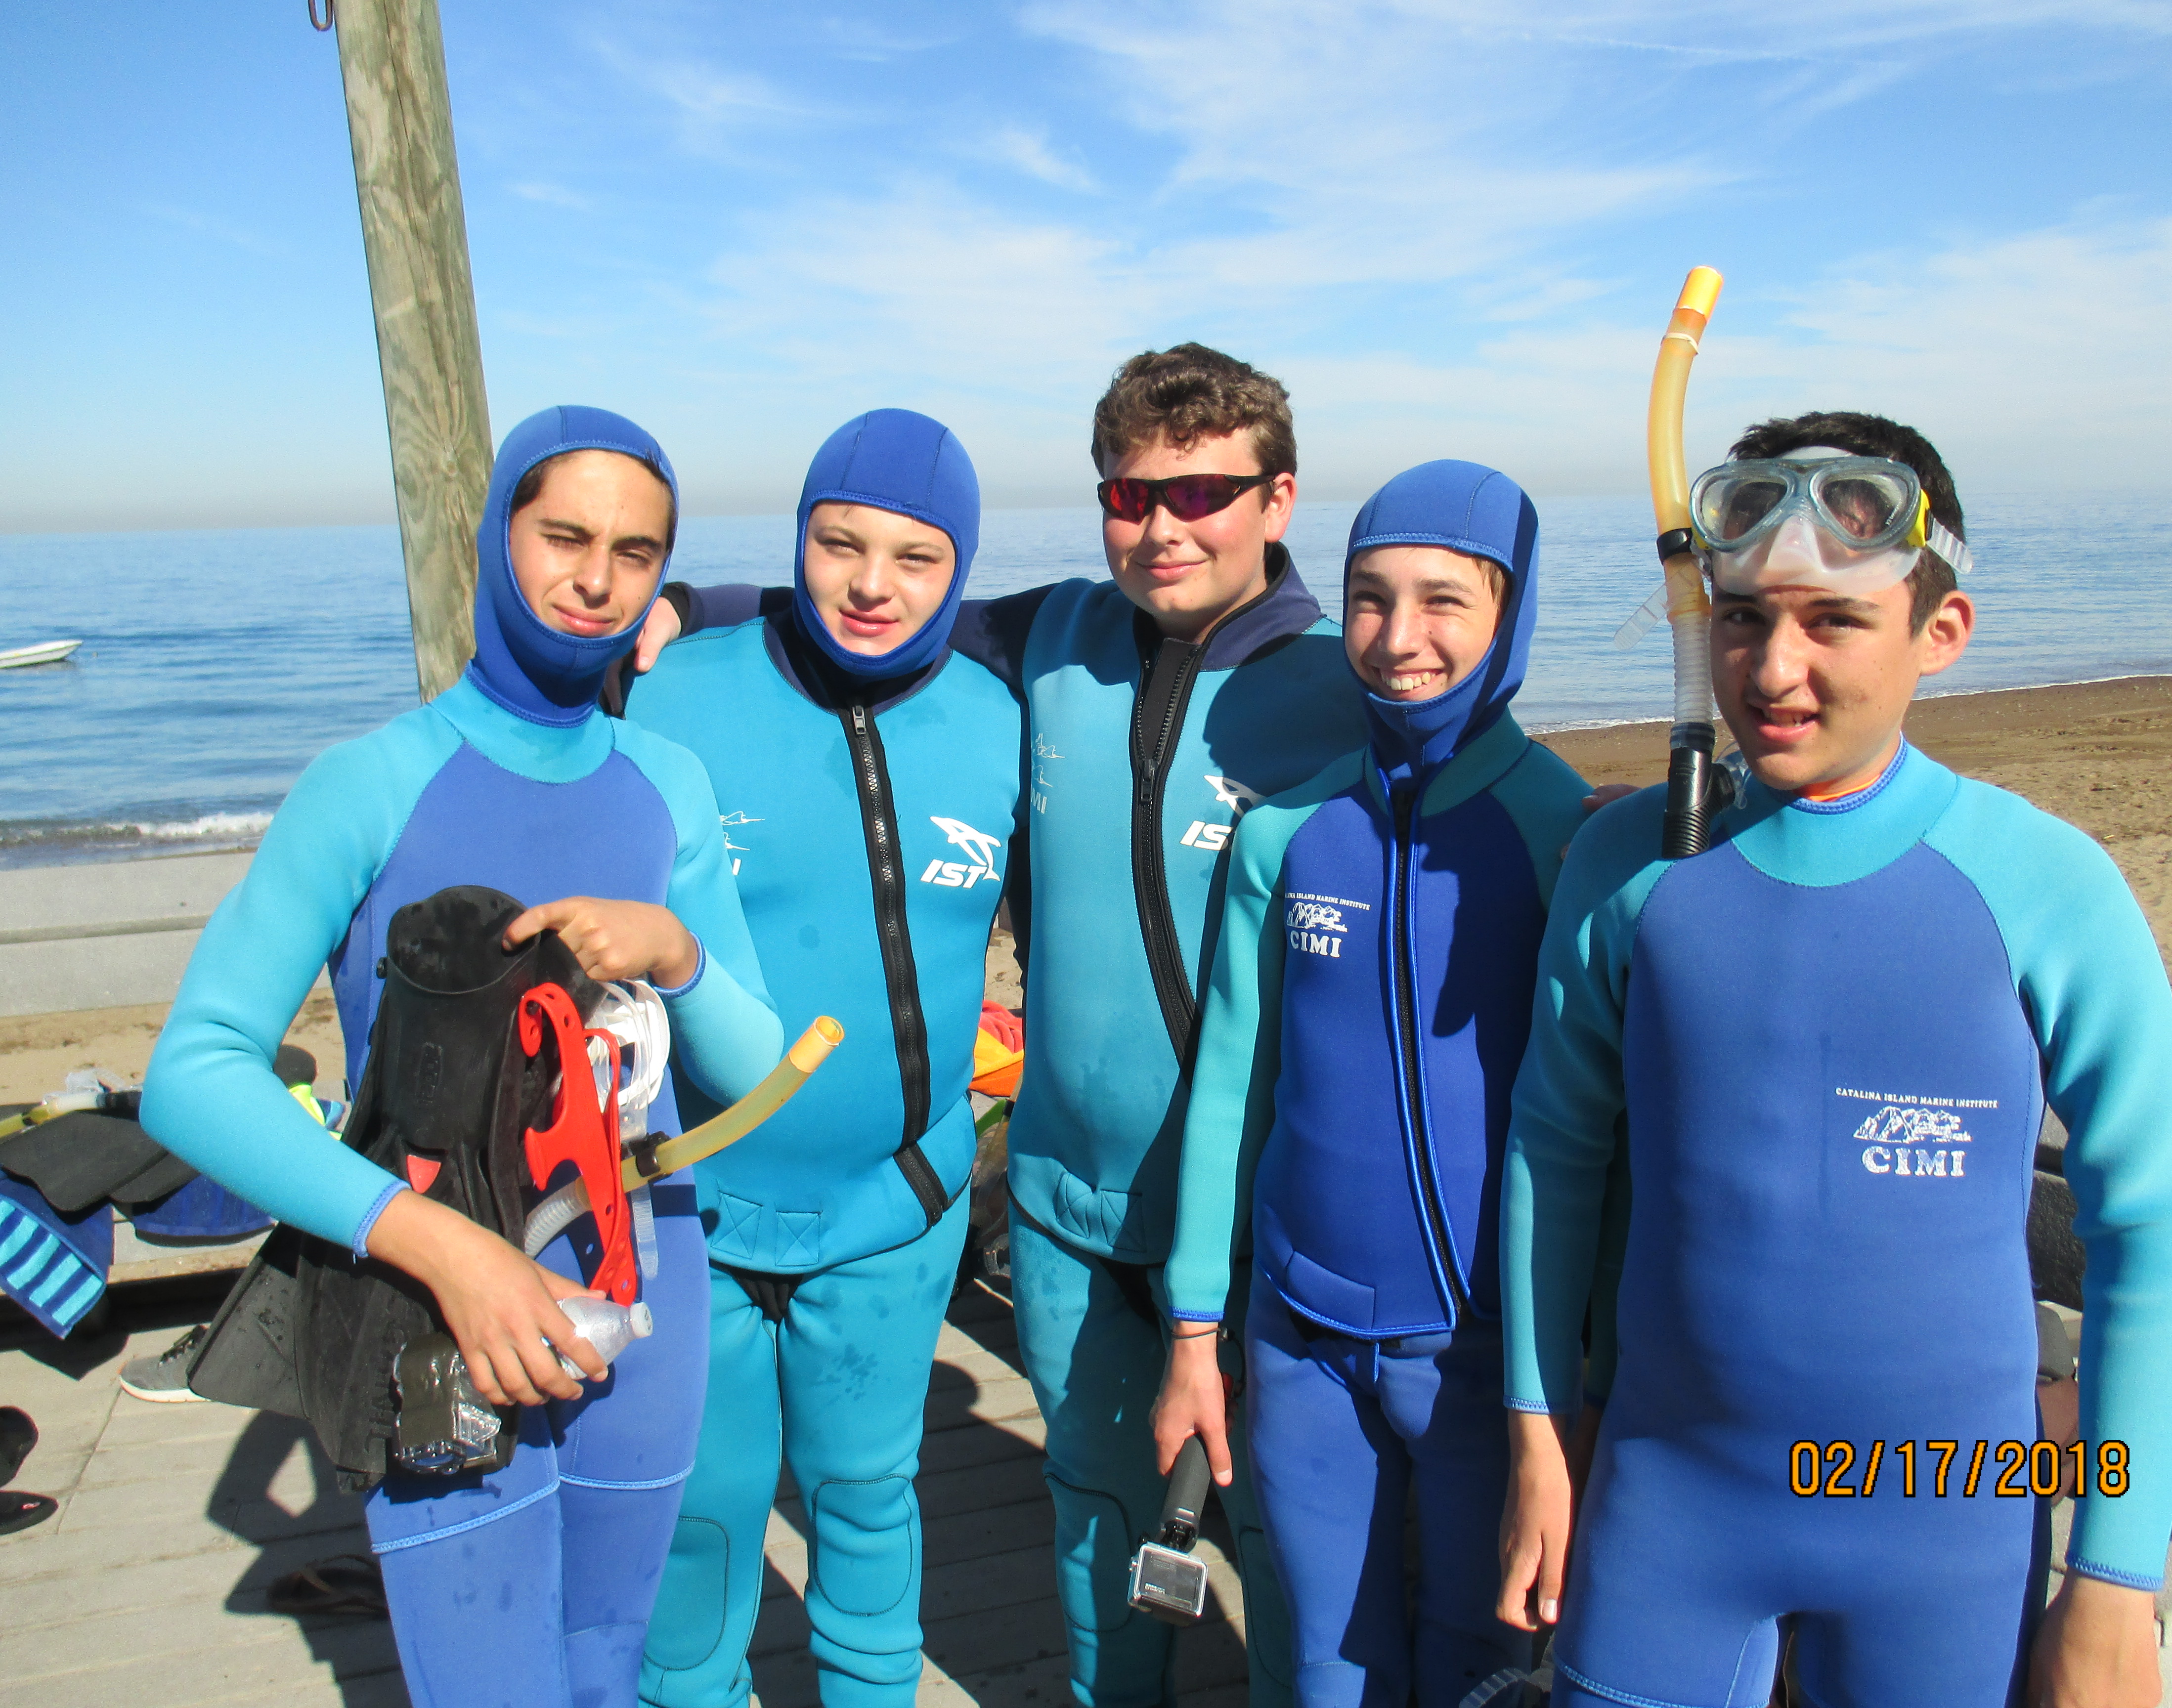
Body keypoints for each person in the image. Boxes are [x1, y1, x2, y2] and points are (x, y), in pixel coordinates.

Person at [636, 345, 1369, 1706]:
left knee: (1280, 1536)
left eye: (1203, 493)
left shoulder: (1355, 689)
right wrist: (675, 603)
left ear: (1279, 499)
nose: (1162, 528)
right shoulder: (1057, 642)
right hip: (1060, 1204)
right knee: (1095, 1504)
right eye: (1129, 495)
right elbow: (872, 612)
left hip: (1269, 1216)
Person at [1496, 413, 2172, 1708]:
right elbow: (1555, 1149)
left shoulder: (2046, 885)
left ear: (1941, 633)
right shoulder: (1627, 867)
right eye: (1743, 616)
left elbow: (2150, 1231)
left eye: (1832, 622)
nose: (1774, 668)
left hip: (1949, 1523)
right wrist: (1541, 1440)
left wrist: (2114, 1584)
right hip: (1671, 1504)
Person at [141, 406, 784, 1708]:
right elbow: (194, 1072)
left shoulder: (668, 784)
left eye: (637, 550)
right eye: (564, 535)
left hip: (641, 1319)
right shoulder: (371, 783)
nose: (598, 578)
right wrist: (442, 1247)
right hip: (438, 1319)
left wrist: (677, 952)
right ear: (494, 535)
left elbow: (754, 1068)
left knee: (607, 1677)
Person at [1152, 462, 1593, 1707]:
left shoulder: (1566, 831)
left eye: (1445, 602)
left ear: (1513, 613)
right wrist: (1198, 1328)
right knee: (1323, 1667)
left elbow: (1605, 1140)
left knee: (1478, 1662)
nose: (1400, 641)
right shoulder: (1287, 832)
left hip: (1486, 1365)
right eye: (1368, 598)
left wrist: (1573, 1386)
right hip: (1300, 1343)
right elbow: (1231, 1089)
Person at [614, 409, 1019, 1708]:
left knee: (865, 1500)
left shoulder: (1002, 725)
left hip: (898, 1205)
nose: (871, 584)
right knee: (705, 1518)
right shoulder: (674, 685)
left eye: (914, 557)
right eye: (838, 543)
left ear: (959, 568)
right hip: (695, 1211)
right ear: (799, 540)